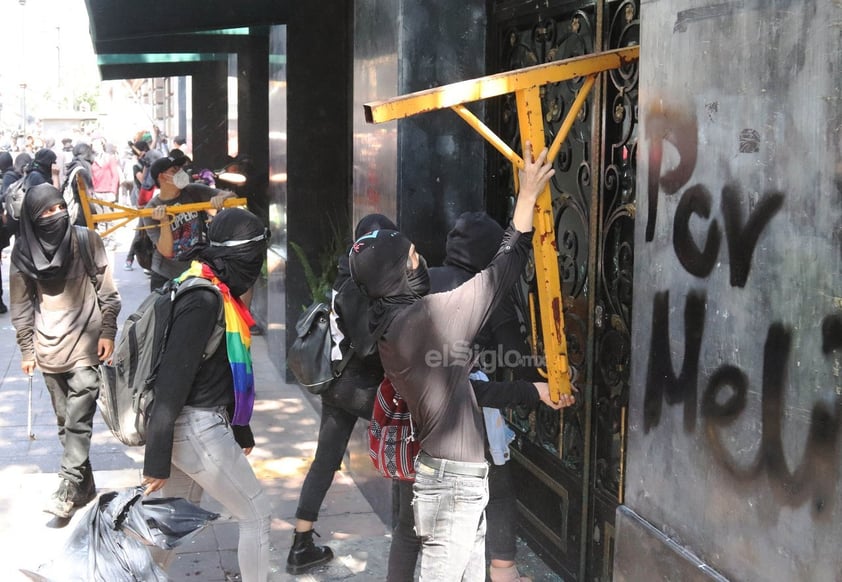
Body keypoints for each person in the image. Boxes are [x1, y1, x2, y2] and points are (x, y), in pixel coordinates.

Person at [350, 142, 575, 581]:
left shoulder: (391, 322)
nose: (422, 261)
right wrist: (526, 196)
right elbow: (502, 271)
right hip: (452, 485)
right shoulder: (426, 319)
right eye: (414, 257)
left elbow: (465, 390)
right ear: (397, 273)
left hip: (450, 477)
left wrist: (532, 391)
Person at [388, 211, 545, 582]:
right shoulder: (483, 293)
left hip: (416, 408)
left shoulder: (422, 283)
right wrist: (538, 386)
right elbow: (516, 356)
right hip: (465, 413)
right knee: (499, 487)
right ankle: (504, 572)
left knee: (410, 518)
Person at [141, 207, 271, 582]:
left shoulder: (220, 293)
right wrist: (156, 458)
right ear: (240, 256)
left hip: (199, 424)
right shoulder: (205, 299)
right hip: (193, 427)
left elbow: (225, 371)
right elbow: (171, 383)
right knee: (257, 515)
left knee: (168, 525)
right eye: (255, 257)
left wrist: (241, 430)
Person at [287, 213, 398, 575]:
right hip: (357, 388)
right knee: (416, 439)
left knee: (326, 460)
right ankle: (417, 536)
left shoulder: (348, 275)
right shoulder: (356, 284)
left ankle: (301, 544)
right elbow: (367, 345)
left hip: (338, 386)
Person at [9, 183, 121, 518]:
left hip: (87, 346)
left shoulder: (86, 240)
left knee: (78, 421)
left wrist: (108, 331)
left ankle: (67, 487)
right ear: (32, 218)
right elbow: (20, 306)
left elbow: (108, 291)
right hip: (49, 348)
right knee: (64, 422)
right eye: (46, 211)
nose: (56, 215)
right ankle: (84, 487)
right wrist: (27, 350)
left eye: (60, 207)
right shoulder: (23, 254)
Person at [141, 155, 236, 291]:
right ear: (162, 177)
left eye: (181, 168)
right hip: (166, 275)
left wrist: (222, 198)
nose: (181, 172)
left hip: (196, 271)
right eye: (175, 170)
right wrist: (164, 221)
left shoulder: (192, 191)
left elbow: (231, 196)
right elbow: (167, 251)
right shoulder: (151, 209)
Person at [62, 142, 96, 226]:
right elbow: (86, 198)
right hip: (80, 215)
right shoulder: (81, 171)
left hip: (77, 214)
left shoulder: (73, 167)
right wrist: (94, 216)